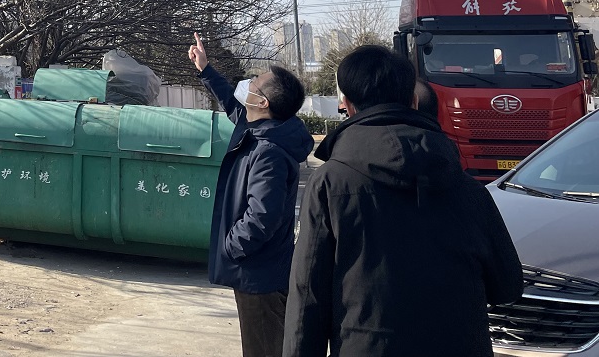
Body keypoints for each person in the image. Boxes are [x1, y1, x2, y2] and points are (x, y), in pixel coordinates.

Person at [284, 45, 523, 357]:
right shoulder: (468, 188)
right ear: (413, 101)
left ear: (347, 105)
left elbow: (307, 298)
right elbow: (507, 286)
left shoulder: (330, 183)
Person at [189, 32, 314, 357]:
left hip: (260, 276)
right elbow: (232, 104)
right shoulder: (261, 129)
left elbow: (262, 216)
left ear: (262, 103)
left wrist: (232, 246)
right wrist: (205, 69)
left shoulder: (268, 151)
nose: (247, 85)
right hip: (258, 270)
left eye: (254, 84)